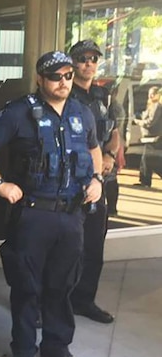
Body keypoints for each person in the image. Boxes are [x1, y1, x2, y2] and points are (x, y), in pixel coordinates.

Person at [0, 51, 103, 357]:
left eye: (68, 76)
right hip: (33, 214)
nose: (64, 82)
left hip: (72, 215)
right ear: (41, 78)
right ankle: (24, 350)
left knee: (62, 285)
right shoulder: (19, 112)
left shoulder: (81, 112)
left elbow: (93, 147)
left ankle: (57, 347)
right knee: (27, 285)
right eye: (56, 77)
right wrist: (0, 183)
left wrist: (97, 179)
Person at [68, 40, 119, 324]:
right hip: (72, 181)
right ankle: (52, 302)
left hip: (99, 181)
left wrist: (110, 153)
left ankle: (84, 300)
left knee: (93, 245)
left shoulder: (103, 95)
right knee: (64, 248)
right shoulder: (64, 93)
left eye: (93, 59)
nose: (88, 64)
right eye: (82, 59)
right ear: (73, 62)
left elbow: (114, 129)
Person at [135, 86, 162, 187]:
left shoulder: (157, 106)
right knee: (147, 159)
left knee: (149, 159)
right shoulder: (152, 105)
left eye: (153, 93)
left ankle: (145, 181)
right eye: (149, 93)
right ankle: (145, 181)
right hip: (150, 137)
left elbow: (151, 122)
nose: (150, 96)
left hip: (154, 137)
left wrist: (139, 122)